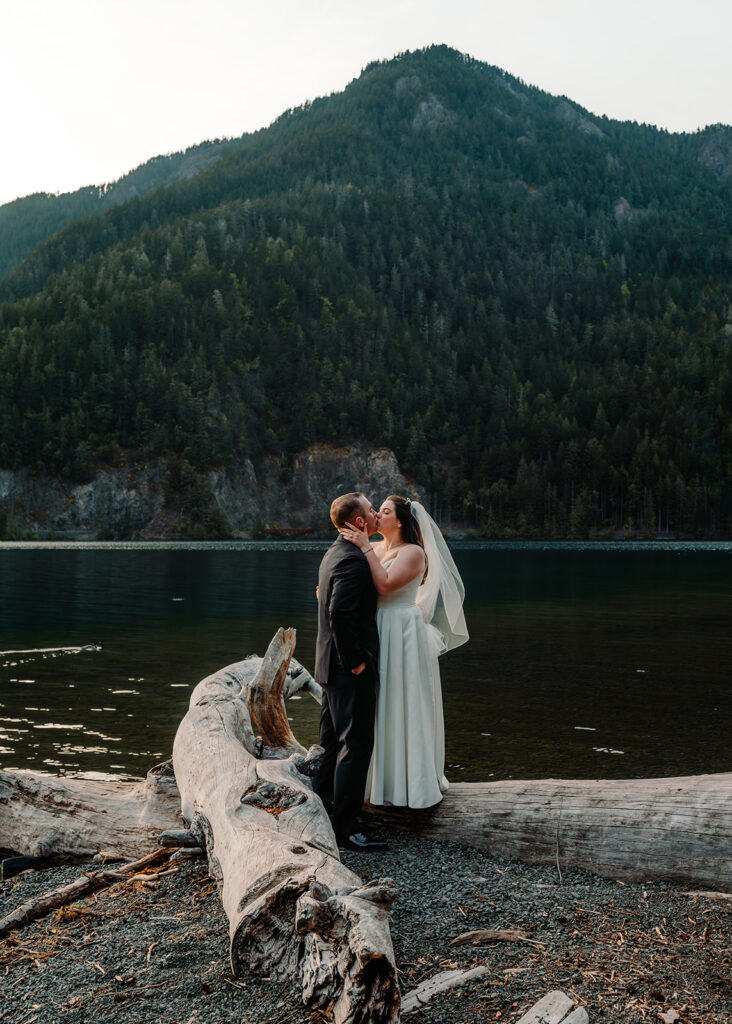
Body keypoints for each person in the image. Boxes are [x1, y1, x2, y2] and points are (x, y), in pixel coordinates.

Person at [340, 496, 468, 809]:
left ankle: (412, 785)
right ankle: (378, 782)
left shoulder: (414, 552)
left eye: (384, 512)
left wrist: (365, 547)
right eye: (377, 511)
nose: (377, 516)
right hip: (379, 628)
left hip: (402, 631)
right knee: (381, 702)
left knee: (405, 702)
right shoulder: (378, 548)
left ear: (399, 521)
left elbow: (384, 586)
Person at [312, 492, 387, 851]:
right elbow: (339, 613)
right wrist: (356, 660)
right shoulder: (354, 561)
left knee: (332, 743)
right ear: (359, 522)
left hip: (328, 665)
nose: (375, 514)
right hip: (347, 669)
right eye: (371, 510)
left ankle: (320, 809)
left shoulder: (333, 553)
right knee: (354, 745)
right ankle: (346, 829)